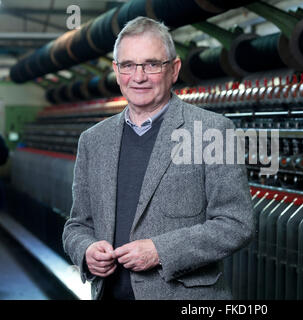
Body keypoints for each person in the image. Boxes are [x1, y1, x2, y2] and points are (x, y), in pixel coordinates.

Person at [62, 16, 255, 300]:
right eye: (128, 65)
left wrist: (161, 252)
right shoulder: (93, 140)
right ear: (116, 71)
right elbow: (77, 225)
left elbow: (236, 223)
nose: (138, 77)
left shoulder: (213, 131)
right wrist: (86, 251)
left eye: (151, 64)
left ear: (174, 70)